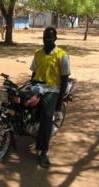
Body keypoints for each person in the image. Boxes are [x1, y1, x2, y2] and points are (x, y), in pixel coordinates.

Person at [30, 27, 71, 168]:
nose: (47, 39)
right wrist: (30, 87)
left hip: (52, 89)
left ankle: (43, 151)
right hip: (36, 87)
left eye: (50, 37)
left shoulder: (62, 55)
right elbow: (33, 73)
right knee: (18, 101)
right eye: (45, 36)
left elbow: (65, 79)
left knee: (47, 115)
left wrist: (59, 102)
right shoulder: (37, 53)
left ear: (55, 39)